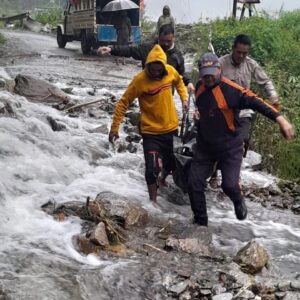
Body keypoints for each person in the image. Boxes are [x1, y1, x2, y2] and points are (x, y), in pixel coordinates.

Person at [188, 52, 294, 226]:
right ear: (200, 73)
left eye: (211, 73)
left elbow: (257, 102)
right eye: (204, 74)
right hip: (205, 145)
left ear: (219, 70)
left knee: (229, 186)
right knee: (194, 184)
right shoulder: (200, 87)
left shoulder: (231, 90)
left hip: (230, 146)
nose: (208, 78)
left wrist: (280, 119)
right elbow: (205, 109)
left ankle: (238, 200)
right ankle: (201, 223)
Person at [109, 45, 188, 203]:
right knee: (151, 169)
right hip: (151, 131)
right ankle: (153, 202)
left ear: (163, 67)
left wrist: (184, 98)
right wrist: (114, 128)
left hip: (171, 127)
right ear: (148, 65)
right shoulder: (140, 80)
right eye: (153, 70)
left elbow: (179, 82)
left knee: (171, 162)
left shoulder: (170, 71)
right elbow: (123, 103)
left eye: (159, 70)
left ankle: (163, 179)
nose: (156, 73)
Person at [209, 34, 280, 188]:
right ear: (233, 48)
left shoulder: (251, 64)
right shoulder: (220, 63)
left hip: (243, 112)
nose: (241, 56)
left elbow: (265, 81)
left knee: (240, 142)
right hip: (223, 111)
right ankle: (214, 174)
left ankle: (234, 178)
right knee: (218, 142)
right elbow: (209, 85)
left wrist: (273, 95)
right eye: (238, 52)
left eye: (244, 53)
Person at [97, 24, 195, 93]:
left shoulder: (177, 55)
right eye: (163, 41)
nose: (165, 44)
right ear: (158, 37)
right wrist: (111, 49)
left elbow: (181, 73)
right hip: (147, 91)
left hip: (166, 94)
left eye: (168, 41)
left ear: (173, 38)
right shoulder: (148, 48)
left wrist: (189, 82)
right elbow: (131, 50)